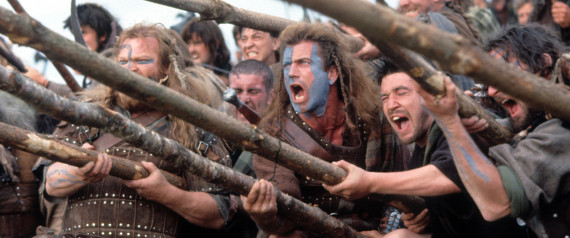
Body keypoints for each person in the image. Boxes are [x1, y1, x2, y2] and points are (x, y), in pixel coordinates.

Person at [42, 24, 236, 237]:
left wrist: (167, 193)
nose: (129, 69)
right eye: (123, 62)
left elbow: (219, 212)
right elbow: (51, 185)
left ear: (165, 70)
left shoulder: (192, 127)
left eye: (142, 61)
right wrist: (78, 173)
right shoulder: (86, 115)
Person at [324, 62, 528, 237]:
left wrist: (369, 182)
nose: (391, 104)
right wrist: (422, 217)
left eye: (401, 93)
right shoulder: (420, 151)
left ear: (431, 96)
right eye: (385, 97)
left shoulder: (461, 126)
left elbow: (450, 175)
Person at [243, 22, 409, 236]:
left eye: (303, 62)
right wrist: (266, 217)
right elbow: (285, 219)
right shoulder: (275, 133)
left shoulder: (372, 119)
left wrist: (389, 229)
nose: (292, 72)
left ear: (332, 73)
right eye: (286, 65)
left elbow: (399, 186)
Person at [416, 24, 570, 238]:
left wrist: (450, 122)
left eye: (503, 74)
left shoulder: (562, 130)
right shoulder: (536, 121)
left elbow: (495, 204)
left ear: (543, 65)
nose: (492, 90)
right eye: (490, 80)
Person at [180, 18, 232, 84]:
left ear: (215, 44)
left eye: (197, 42)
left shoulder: (234, 76)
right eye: (187, 44)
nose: (191, 50)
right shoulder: (182, 79)